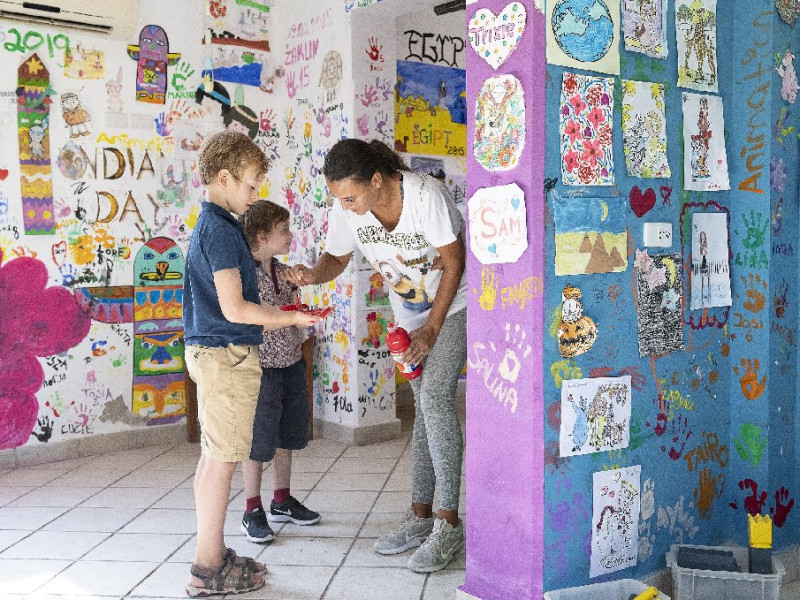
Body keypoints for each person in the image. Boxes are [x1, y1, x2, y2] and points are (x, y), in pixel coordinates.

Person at [284, 138, 467, 573]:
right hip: (409, 313)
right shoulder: (349, 210)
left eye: (350, 197)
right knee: (424, 408)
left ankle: (448, 523)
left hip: (454, 306)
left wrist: (433, 328)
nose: (344, 206)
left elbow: (454, 261)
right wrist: (312, 274)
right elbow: (336, 258)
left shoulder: (424, 196)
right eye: (338, 199)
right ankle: (421, 516)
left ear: (377, 180)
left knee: (435, 397)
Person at [183, 130, 323, 597]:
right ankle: (207, 570)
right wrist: (292, 317)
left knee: (213, 459)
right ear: (224, 178)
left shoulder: (215, 224)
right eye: (250, 184)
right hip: (226, 355)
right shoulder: (222, 231)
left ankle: (213, 553)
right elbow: (235, 308)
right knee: (223, 461)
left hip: (214, 352)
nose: (254, 194)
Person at [238, 200, 321, 545]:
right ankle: (252, 509)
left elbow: (291, 310)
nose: (290, 235)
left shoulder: (283, 271)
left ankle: (281, 500)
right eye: (284, 230)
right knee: (258, 442)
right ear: (262, 236)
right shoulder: (241, 275)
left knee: (287, 435)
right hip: (261, 370)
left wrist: (299, 286)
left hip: (291, 363)